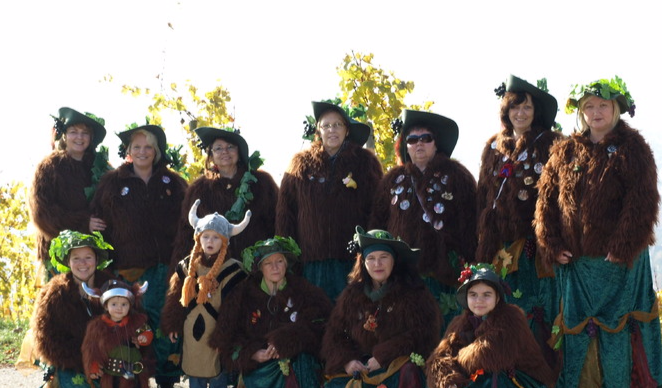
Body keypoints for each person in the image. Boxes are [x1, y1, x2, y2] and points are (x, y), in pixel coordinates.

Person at [535, 76, 662, 388]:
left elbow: (641, 203)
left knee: (616, 326)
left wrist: (621, 247)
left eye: (603, 106)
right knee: (579, 327)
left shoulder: (633, 149)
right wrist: (552, 244)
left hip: (618, 260)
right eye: (589, 107)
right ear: (580, 112)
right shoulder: (565, 150)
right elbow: (546, 201)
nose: (596, 112)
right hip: (577, 263)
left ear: (616, 109)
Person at [301, 227, 441, 388]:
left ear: (394, 261)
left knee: (407, 375)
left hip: (397, 363)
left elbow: (424, 334)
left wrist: (384, 356)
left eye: (384, 257)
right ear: (363, 262)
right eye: (371, 258)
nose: (378, 264)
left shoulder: (414, 292)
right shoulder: (352, 294)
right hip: (363, 365)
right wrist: (347, 361)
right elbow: (334, 335)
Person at [409, 265, 570, 388]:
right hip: (477, 374)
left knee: (490, 377)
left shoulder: (511, 318)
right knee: (438, 385)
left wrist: (455, 362)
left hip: (523, 382)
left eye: (487, 295)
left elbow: (484, 355)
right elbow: (438, 359)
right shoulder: (459, 322)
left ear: (497, 298)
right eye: (473, 295)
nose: (479, 301)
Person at [90, 124, 187, 388]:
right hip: (126, 266)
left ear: (156, 151)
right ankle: (131, 377)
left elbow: (188, 221)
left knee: (163, 318)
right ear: (128, 151)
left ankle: (166, 375)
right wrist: (91, 225)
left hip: (164, 265)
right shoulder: (112, 183)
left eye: (148, 147)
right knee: (130, 322)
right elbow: (98, 218)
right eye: (137, 147)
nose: (143, 152)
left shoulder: (173, 183)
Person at [476, 75, 563, 369]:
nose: (521, 113)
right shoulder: (493, 146)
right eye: (515, 107)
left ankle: (541, 372)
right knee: (503, 308)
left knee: (537, 310)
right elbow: (482, 194)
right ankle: (506, 370)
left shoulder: (551, 144)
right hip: (500, 244)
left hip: (535, 246)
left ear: (536, 111)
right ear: (506, 111)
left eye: (527, 107)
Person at [209, 236, 332, 388]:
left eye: (279, 261)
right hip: (261, 363)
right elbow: (230, 335)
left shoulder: (304, 290)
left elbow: (319, 325)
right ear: (260, 268)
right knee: (256, 379)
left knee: (302, 363)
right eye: (268, 263)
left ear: (286, 264)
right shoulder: (244, 294)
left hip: (296, 359)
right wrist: (252, 353)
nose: (275, 267)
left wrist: (287, 340)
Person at [371, 110, 477, 322]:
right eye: (412, 139)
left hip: (446, 275)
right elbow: (378, 226)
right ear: (405, 146)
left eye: (426, 138)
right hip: (403, 276)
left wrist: (469, 265)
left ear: (436, 144)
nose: (419, 144)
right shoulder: (391, 180)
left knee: (447, 329)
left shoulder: (458, 176)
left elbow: (471, 224)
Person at [276, 101, 383, 301]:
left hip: (352, 261)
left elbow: (377, 210)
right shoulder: (299, 165)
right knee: (313, 314)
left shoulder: (365, 162)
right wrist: (288, 257)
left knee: (351, 315)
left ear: (347, 130)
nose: (332, 130)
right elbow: (286, 214)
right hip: (310, 263)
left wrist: (371, 251)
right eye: (326, 125)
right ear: (318, 130)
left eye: (337, 125)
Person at [162, 201, 250, 388]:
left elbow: (235, 305)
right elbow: (175, 297)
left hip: (218, 327)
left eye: (216, 237)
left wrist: (226, 332)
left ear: (224, 241)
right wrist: (172, 323)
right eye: (206, 237)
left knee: (218, 371)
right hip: (192, 328)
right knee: (195, 371)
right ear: (198, 239)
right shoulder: (186, 267)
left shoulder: (233, 269)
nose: (210, 242)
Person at [19, 230, 113, 388]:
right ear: (68, 262)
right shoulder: (54, 293)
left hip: (107, 363)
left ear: (96, 260)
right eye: (76, 258)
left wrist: (104, 358)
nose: (83, 264)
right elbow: (47, 340)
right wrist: (85, 362)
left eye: (88, 257)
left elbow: (126, 324)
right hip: (71, 364)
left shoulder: (111, 285)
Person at [170, 127, 278, 268]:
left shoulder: (262, 183)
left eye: (230, 147)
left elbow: (275, 224)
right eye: (218, 148)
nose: (224, 152)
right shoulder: (198, 190)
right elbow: (186, 235)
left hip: (256, 266)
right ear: (211, 154)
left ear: (239, 151)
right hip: (214, 269)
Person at [29, 107, 109, 276]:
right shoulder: (49, 167)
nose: (79, 137)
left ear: (91, 138)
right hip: (59, 254)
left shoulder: (102, 168)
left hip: (95, 256)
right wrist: (83, 223)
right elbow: (42, 214)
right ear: (64, 135)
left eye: (85, 133)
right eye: (73, 132)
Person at [81, 280, 153, 388]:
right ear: (106, 306)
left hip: (132, 371)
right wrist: (93, 366)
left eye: (124, 304)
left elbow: (147, 332)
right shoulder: (97, 326)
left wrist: (143, 338)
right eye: (114, 304)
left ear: (130, 306)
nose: (119, 308)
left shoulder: (137, 322)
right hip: (110, 371)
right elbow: (91, 349)